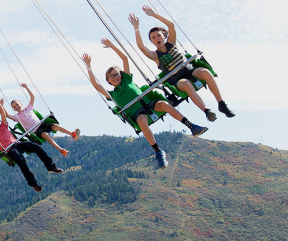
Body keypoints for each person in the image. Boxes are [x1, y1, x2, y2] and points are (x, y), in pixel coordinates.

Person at [82, 38, 209, 170]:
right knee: (142, 121)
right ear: (108, 81)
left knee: (164, 105)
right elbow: (96, 85)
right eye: (111, 77)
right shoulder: (112, 95)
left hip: (147, 103)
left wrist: (112, 46)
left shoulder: (127, 80)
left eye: (116, 74)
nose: (115, 77)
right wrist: (88, 66)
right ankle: (158, 151)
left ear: (121, 74)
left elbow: (125, 59)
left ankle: (192, 126)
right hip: (136, 112)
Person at [130, 6, 235, 119]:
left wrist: (154, 14)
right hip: (177, 79)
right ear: (151, 41)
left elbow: (171, 25)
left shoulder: (171, 43)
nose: (157, 38)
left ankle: (221, 104)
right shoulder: (155, 56)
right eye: (153, 37)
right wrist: (136, 28)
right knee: (186, 84)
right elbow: (141, 47)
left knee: (205, 72)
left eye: (159, 35)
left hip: (189, 69)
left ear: (164, 36)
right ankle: (206, 111)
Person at [0, 97, 63, 192]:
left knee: (36, 147)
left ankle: (51, 167)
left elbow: (2, 114)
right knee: (21, 161)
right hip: (10, 150)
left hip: (17, 143)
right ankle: (34, 184)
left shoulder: (4, 126)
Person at [9, 84, 80, 157]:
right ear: (14, 109)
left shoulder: (28, 108)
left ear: (21, 103)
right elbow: (7, 115)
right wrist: (0, 105)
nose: (16, 107)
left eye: (17, 104)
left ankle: (72, 134)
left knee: (55, 126)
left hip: (41, 124)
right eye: (14, 107)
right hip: (36, 131)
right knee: (45, 134)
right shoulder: (17, 117)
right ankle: (61, 150)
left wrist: (27, 88)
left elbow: (32, 97)